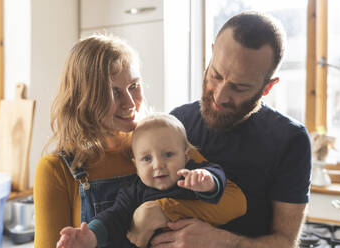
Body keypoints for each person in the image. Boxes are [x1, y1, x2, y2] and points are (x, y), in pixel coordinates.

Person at [33, 35, 246, 248]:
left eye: (134, 85)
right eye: (113, 92)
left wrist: (159, 211)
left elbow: (236, 202)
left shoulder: (162, 141)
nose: (129, 103)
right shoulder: (56, 170)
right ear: (85, 98)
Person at [147, 11, 312, 248]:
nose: (220, 96)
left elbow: (285, 242)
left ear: (267, 87)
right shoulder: (177, 122)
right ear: (212, 53)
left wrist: (222, 241)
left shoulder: (290, 140)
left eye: (239, 87)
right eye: (216, 75)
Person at [56, 113, 246, 248]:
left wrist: (208, 181)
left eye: (168, 154)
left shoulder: (190, 177)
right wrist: (91, 236)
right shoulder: (134, 191)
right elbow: (114, 217)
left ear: (186, 156)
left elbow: (216, 174)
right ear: (135, 165)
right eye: (147, 159)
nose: (158, 165)